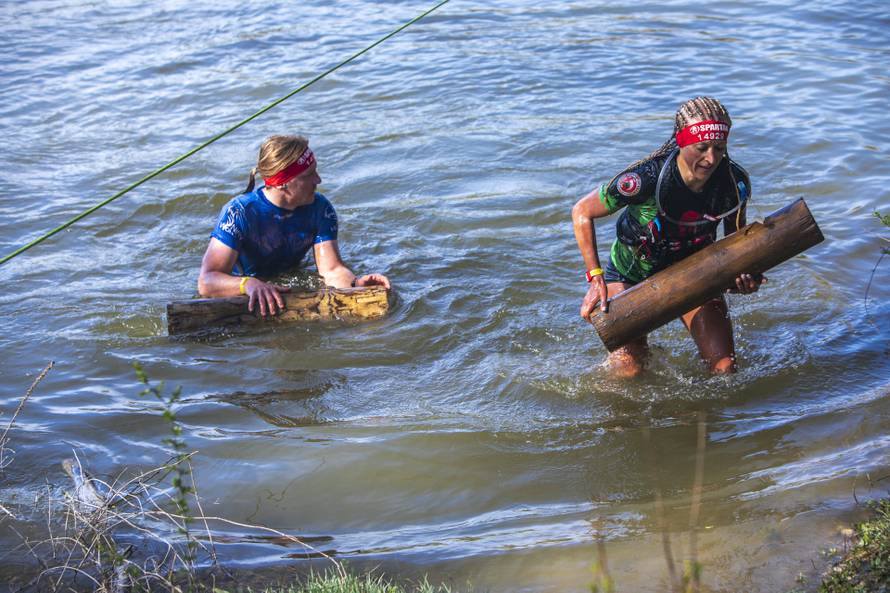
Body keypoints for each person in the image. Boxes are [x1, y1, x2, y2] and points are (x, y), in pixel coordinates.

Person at [571, 97, 764, 377]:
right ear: (681, 142)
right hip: (630, 276)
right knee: (629, 371)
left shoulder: (734, 184)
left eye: (719, 148)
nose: (711, 159)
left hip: (693, 273)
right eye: (702, 148)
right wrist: (595, 278)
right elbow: (582, 211)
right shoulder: (646, 179)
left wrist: (742, 278)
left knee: (726, 372)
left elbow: (734, 247)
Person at [198, 135, 390, 316]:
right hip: (244, 284)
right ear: (282, 182)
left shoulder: (321, 208)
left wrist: (355, 285)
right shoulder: (239, 212)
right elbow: (207, 281)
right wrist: (248, 284)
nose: (318, 180)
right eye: (309, 174)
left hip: (287, 276)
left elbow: (331, 270)